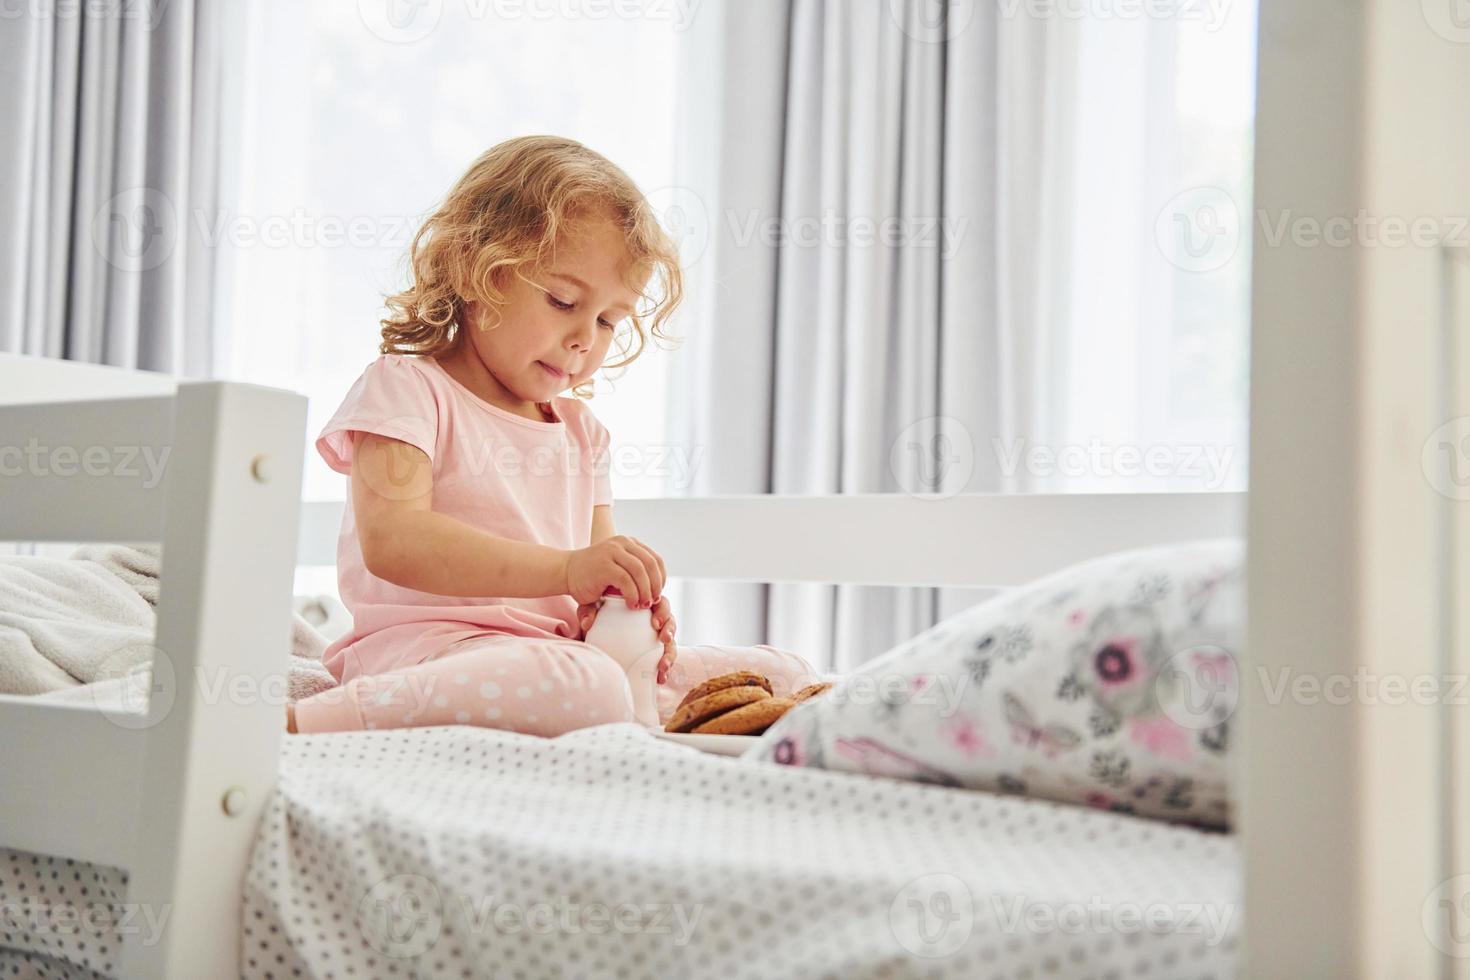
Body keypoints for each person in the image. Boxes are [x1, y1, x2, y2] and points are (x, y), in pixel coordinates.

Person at [289, 136, 815, 735]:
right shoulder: (407, 388)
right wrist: (568, 571)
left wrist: (626, 613)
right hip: (426, 657)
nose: (585, 338)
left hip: (565, 657)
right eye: (563, 301)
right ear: (472, 267)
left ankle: (756, 728)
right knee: (585, 685)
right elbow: (395, 542)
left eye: (608, 321)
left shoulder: (583, 435)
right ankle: (305, 725)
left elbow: (589, 584)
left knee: (784, 672)